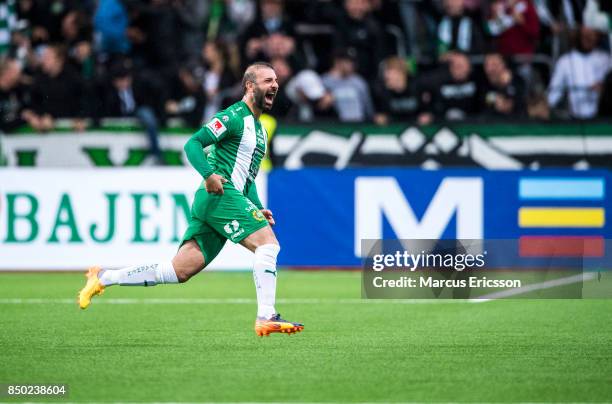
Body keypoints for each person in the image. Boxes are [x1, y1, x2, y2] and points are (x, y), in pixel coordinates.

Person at [78, 62, 304, 337]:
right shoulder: (233, 116)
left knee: (178, 271)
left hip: (222, 198)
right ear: (249, 86)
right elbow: (193, 144)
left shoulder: (259, 130)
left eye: (276, 80)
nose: (275, 85)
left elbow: (247, 178)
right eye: (268, 80)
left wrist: (257, 209)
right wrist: (209, 175)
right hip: (219, 193)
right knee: (268, 245)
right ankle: (266, 315)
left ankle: (104, 277)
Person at [547, 25, 611, 119]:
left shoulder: (605, 59)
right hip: (575, 118)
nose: (588, 40)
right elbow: (554, 93)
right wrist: (545, 106)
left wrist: (605, 89)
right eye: (585, 36)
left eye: (591, 36)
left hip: (602, 117)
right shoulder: (565, 61)